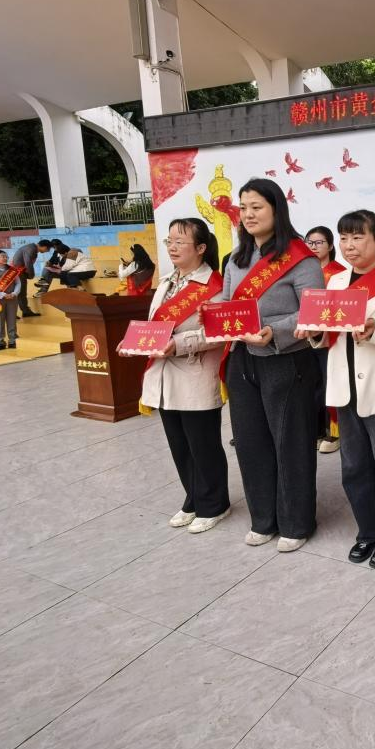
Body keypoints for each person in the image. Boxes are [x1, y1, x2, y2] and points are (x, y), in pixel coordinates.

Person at [222, 178, 324, 551]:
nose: (248, 215)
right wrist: (214, 316)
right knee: (250, 442)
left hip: (286, 360)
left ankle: (296, 522)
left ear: (276, 210)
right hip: (242, 360)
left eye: (257, 207)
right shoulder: (236, 258)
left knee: (290, 442)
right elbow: (229, 304)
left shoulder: (301, 258)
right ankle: (263, 519)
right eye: (243, 208)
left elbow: (314, 312)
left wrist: (274, 330)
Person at [314, 210, 375, 569]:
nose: (349, 245)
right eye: (344, 238)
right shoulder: (336, 282)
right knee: (354, 467)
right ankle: (367, 531)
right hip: (344, 388)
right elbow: (326, 332)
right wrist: (313, 332)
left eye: (358, 237)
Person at [130, 218, 230, 533]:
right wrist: (134, 342)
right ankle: (193, 498)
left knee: (203, 445)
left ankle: (215, 504)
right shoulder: (167, 282)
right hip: (164, 377)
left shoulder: (215, 286)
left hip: (194, 373)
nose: (172, 247)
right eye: (169, 241)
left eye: (180, 242)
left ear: (200, 248)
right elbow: (155, 325)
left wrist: (179, 344)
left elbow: (218, 332)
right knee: (179, 444)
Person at [305, 225, 342, 454]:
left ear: (329, 246)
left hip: (330, 338)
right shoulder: (302, 271)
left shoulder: (339, 273)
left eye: (319, 242)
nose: (314, 247)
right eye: (309, 242)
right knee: (311, 387)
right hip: (305, 338)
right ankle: (316, 429)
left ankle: (334, 431)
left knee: (329, 384)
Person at [10, 239, 51, 317]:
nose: (47, 251)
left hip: (19, 272)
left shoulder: (32, 248)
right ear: (45, 247)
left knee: (21, 292)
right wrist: (31, 274)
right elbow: (28, 263)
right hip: (18, 272)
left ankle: (25, 311)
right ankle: (12, 313)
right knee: (19, 293)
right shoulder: (31, 249)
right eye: (48, 249)